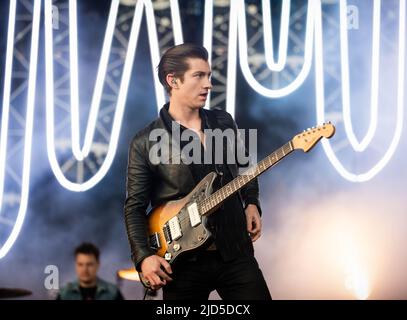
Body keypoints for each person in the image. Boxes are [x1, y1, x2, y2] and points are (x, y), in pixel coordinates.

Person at [124, 43, 271, 300]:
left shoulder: (223, 122)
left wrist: (251, 202)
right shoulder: (145, 141)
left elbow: (246, 166)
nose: (208, 84)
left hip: (234, 251)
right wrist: (144, 257)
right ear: (173, 81)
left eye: (209, 76)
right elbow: (134, 207)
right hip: (183, 263)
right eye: (198, 76)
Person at [57, 242, 124, 300]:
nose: (85, 269)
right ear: (75, 265)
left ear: (98, 264)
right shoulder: (64, 294)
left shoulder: (113, 293)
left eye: (89, 264)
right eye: (80, 264)